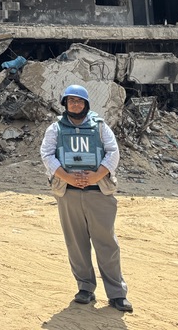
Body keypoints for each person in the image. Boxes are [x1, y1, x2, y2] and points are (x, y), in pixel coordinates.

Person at [40, 84, 132, 313]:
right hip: (68, 194)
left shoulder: (100, 127)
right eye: (71, 101)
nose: (75, 104)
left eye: (79, 101)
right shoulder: (55, 129)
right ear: (65, 104)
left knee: (107, 244)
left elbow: (113, 152)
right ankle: (85, 289)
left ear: (86, 104)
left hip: (98, 193)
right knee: (76, 244)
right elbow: (47, 155)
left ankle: (117, 294)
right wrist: (67, 177)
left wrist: (96, 175)